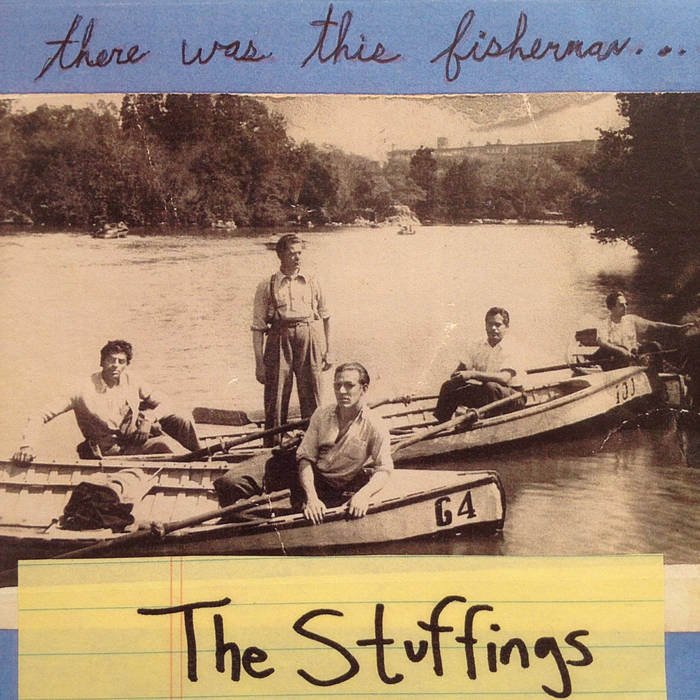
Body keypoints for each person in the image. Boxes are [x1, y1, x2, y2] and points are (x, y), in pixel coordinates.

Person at [213, 362, 393, 523]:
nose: (342, 391)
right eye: (337, 385)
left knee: (259, 514)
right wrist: (312, 498)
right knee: (229, 483)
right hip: (296, 466)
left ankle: (235, 524)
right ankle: (231, 515)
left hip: (329, 486)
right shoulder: (322, 415)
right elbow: (305, 458)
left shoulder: (375, 425)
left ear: (364, 388)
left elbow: (384, 469)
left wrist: (363, 495)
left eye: (349, 385)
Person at [12, 339, 201, 463]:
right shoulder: (81, 388)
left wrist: (149, 419)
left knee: (182, 419)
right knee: (167, 447)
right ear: (102, 362)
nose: (115, 366)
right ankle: (195, 465)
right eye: (111, 360)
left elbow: (167, 403)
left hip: (134, 441)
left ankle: (204, 459)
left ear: (126, 365)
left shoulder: (132, 381)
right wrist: (27, 446)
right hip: (109, 452)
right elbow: (39, 415)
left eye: (121, 361)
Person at [251, 234, 332, 446]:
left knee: (312, 392)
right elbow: (258, 328)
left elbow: (326, 317)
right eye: (292, 253)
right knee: (276, 396)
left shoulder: (313, 280)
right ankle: (272, 446)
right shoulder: (267, 285)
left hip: (308, 335)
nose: (297, 258)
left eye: (300, 253)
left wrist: (329, 350)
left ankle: (315, 444)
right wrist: (259, 364)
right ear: (280, 255)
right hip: (278, 338)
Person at [434, 307, 524, 423]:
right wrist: (457, 376)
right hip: (487, 394)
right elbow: (462, 369)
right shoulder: (478, 346)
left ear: (506, 327)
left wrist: (472, 374)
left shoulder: (512, 347)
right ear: (485, 326)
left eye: (498, 325)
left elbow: (504, 378)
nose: (493, 328)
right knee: (448, 386)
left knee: (491, 387)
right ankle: (441, 425)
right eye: (490, 324)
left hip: (514, 397)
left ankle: (491, 423)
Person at [591, 291, 694, 369]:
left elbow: (655, 325)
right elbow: (602, 342)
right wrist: (621, 351)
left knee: (654, 346)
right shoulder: (604, 324)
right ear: (612, 308)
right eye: (621, 305)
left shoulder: (631, 319)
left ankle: (658, 376)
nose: (625, 307)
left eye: (626, 304)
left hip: (634, 355)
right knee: (612, 351)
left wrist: (678, 328)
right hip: (616, 360)